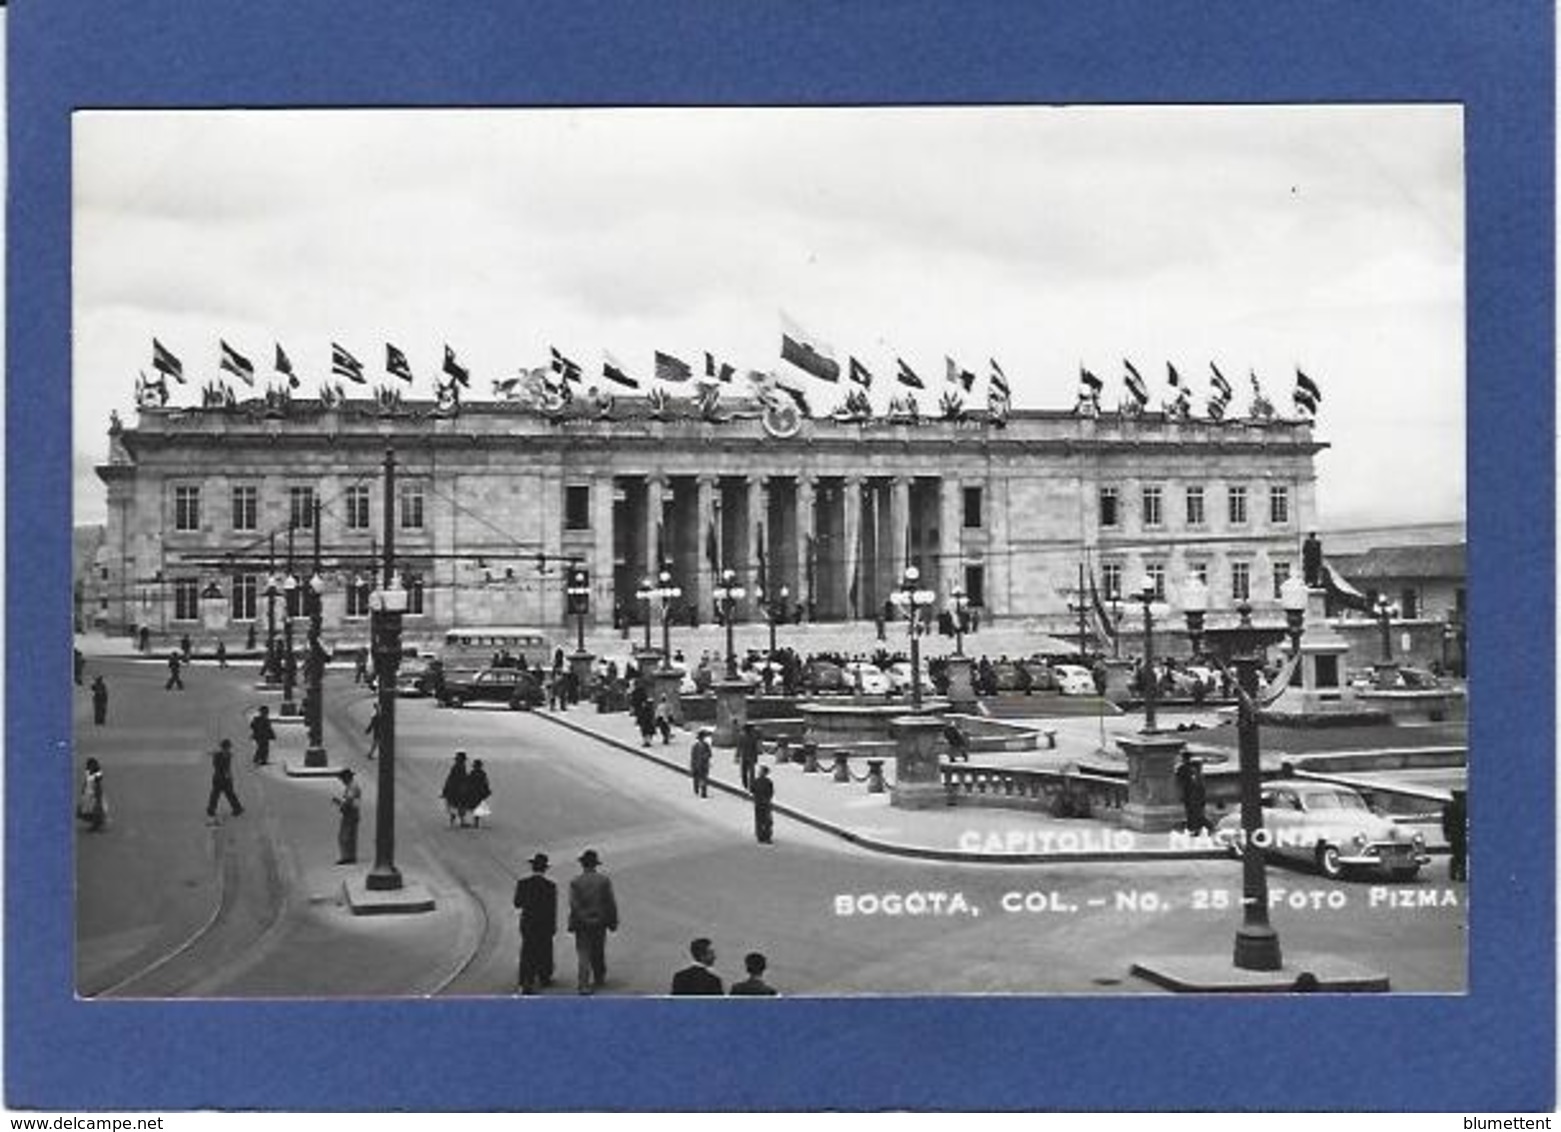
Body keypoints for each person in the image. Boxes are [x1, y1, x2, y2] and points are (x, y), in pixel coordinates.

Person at [568, 849, 618, 995]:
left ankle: (583, 984)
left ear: (582, 865)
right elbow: (610, 903)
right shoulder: (603, 880)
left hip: (582, 923)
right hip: (599, 921)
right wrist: (612, 921)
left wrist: (581, 917)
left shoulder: (575, 882)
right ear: (595, 864)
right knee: (598, 950)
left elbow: (573, 904)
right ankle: (599, 976)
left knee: (583, 953)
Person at [513, 853, 557, 994]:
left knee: (527, 950)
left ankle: (525, 979)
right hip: (544, 923)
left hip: (528, 923)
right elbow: (552, 908)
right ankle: (544, 976)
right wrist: (553, 925)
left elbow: (517, 904)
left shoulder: (523, 883)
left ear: (532, 867)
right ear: (545, 869)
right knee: (545, 949)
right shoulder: (550, 886)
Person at [206, 739, 244, 820]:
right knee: (217, 795)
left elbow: (227, 760)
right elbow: (216, 765)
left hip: (224, 779)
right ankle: (211, 810)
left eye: (228, 748)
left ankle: (237, 808)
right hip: (219, 779)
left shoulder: (226, 755)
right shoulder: (218, 756)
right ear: (223, 747)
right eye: (226, 748)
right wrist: (216, 756)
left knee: (228, 794)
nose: (227, 749)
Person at [1175, 752, 1210, 834]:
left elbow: (1179, 781)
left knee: (1192, 812)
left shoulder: (1183, 768)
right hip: (1196, 794)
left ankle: (1194, 828)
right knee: (1196, 811)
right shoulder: (1195, 766)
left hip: (1191, 794)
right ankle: (1196, 828)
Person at [332, 768, 361, 864]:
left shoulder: (352, 787)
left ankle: (347, 857)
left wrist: (339, 803)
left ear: (347, 778)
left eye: (342, 779)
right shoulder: (352, 786)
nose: (342, 781)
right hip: (352, 813)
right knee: (350, 836)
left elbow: (349, 801)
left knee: (344, 837)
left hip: (350, 814)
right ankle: (350, 856)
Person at [1442, 788, 1467, 881]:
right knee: (1462, 854)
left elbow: (1445, 822)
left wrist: (1446, 833)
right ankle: (1462, 875)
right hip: (1462, 833)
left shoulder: (1447, 807)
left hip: (1453, 834)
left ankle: (1453, 873)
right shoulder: (1465, 807)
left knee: (1456, 854)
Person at [77, 757, 107, 832]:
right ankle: (97, 824)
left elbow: (95, 783)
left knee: (93, 809)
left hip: (92, 793)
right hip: (90, 792)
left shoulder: (95, 775)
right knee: (90, 809)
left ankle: (97, 825)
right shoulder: (91, 773)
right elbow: (87, 782)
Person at [442, 752, 471, 827]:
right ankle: (460, 822)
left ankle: (453, 822)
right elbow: (461, 778)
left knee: (454, 805)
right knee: (460, 805)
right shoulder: (460, 766)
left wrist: (446, 789)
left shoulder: (457, 766)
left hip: (454, 789)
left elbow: (450, 778)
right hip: (458, 789)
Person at [751, 765, 775, 844]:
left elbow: (752, 789)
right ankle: (767, 836)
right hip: (766, 803)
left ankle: (760, 835)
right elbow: (771, 792)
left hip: (758, 803)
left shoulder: (756, 781)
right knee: (767, 820)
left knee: (759, 820)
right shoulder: (769, 782)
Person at [466, 758, 493, 828]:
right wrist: (486, 790)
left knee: (476, 807)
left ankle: (476, 822)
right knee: (477, 807)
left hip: (475, 792)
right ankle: (476, 822)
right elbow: (485, 783)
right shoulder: (482, 773)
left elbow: (469, 782)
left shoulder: (474, 773)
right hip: (478, 792)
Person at [736, 722, 762, 791]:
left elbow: (739, 747)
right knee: (750, 772)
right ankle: (750, 786)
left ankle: (746, 785)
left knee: (746, 772)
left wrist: (737, 756)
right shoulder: (752, 737)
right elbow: (755, 747)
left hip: (745, 756)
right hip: (750, 756)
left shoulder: (742, 736)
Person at [689, 727, 713, 798]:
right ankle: (696, 787)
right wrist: (693, 765)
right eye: (701, 738)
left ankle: (703, 792)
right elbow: (693, 756)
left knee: (704, 778)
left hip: (704, 764)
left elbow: (710, 754)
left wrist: (706, 756)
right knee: (697, 778)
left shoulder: (706, 745)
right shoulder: (695, 746)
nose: (702, 739)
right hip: (697, 764)